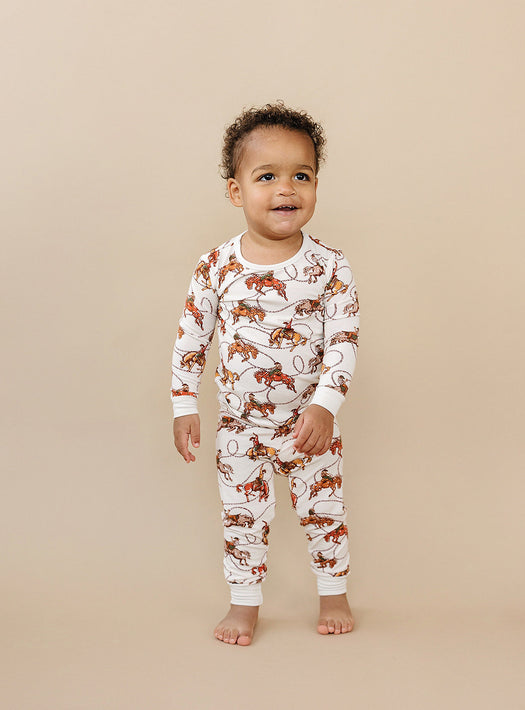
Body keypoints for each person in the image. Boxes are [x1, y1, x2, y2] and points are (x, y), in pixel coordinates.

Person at [171, 101, 360, 645]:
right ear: (236, 192)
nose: (286, 189)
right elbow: (191, 340)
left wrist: (324, 406)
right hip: (240, 427)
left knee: (325, 512)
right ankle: (244, 604)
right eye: (267, 177)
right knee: (241, 518)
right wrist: (184, 404)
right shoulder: (216, 267)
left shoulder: (331, 266)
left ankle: (334, 593)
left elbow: (343, 342)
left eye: (302, 176)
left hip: (309, 425)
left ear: (316, 185)